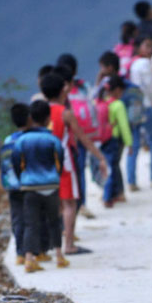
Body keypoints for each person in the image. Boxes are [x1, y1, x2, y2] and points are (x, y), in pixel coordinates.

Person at [41, 73, 107, 255]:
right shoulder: (65, 113)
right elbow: (83, 137)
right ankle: (68, 244)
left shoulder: (39, 111)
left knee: (49, 203)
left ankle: (42, 246)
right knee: (70, 204)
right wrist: (100, 157)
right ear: (63, 90)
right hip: (64, 163)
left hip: (42, 163)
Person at [12, 100, 68, 273]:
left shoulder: (21, 140)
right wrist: (55, 177)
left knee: (31, 223)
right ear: (48, 119)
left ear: (30, 118)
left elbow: (16, 162)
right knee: (54, 222)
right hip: (50, 184)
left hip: (30, 186)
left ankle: (29, 259)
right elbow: (60, 158)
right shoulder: (52, 139)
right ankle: (59, 255)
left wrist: (23, 178)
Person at [56, 54, 96, 219]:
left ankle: (64, 209)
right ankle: (81, 204)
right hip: (79, 135)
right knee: (79, 172)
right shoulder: (83, 85)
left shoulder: (54, 87)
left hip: (60, 140)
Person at [128, 35, 152, 189]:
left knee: (134, 143)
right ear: (139, 47)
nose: (150, 49)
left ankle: (131, 180)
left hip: (134, 105)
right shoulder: (145, 63)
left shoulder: (133, 64)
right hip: (147, 104)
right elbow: (149, 85)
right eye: (147, 46)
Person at [0, 103, 30, 265]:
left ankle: (20, 253)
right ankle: (34, 252)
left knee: (17, 217)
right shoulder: (31, 138)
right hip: (30, 184)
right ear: (29, 118)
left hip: (12, 184)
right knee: (32, 217)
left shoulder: (8, 139)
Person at [99, 75, 133, 206]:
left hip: (102, 139)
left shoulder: (102, 102)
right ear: (118, 90)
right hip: (115, 139)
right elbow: (124, 125)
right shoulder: (118, 104)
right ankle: (116, 194)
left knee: (109, 166)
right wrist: (129, 143)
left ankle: (112, 193)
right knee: (114, 166)